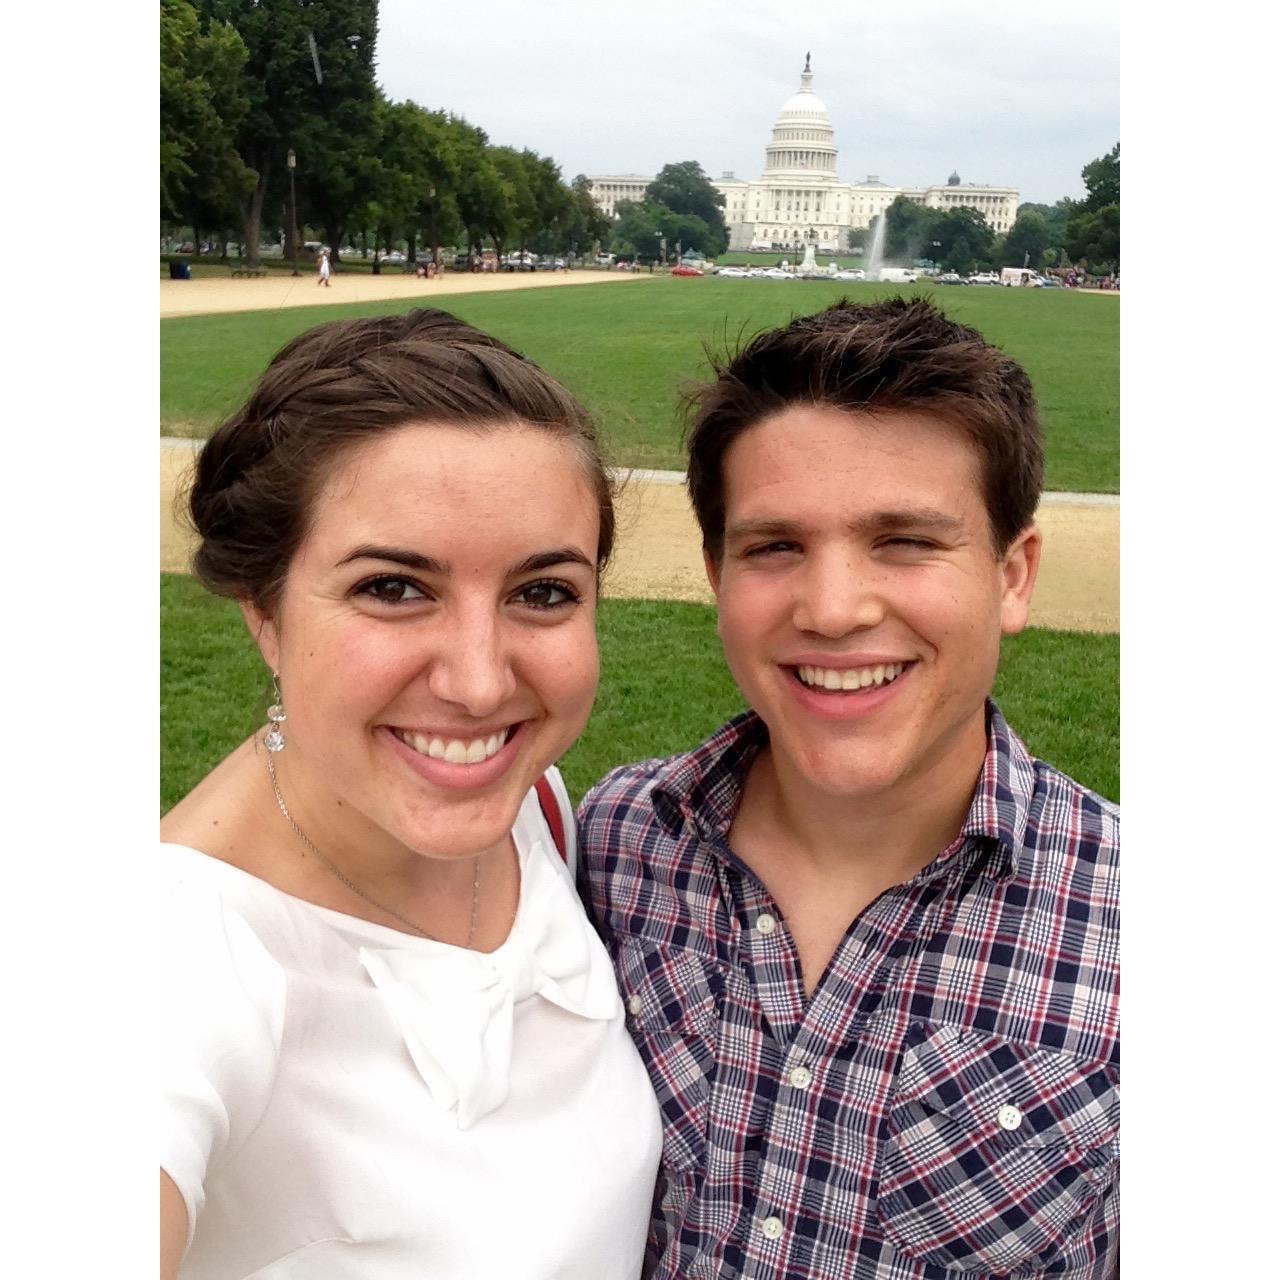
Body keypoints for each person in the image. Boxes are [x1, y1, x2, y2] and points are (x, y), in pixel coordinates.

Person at [578, 297, 1119, 1279]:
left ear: (1011, 573)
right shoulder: (612, 842)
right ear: (716, 573)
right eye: (773, 545)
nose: (831, 609)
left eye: (904, 540)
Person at [160, 309, 661, 1279]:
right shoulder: (170, 954)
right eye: (394, 588)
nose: (479, 682)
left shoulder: (535, 810)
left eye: (543, 591)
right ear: (262, 606)